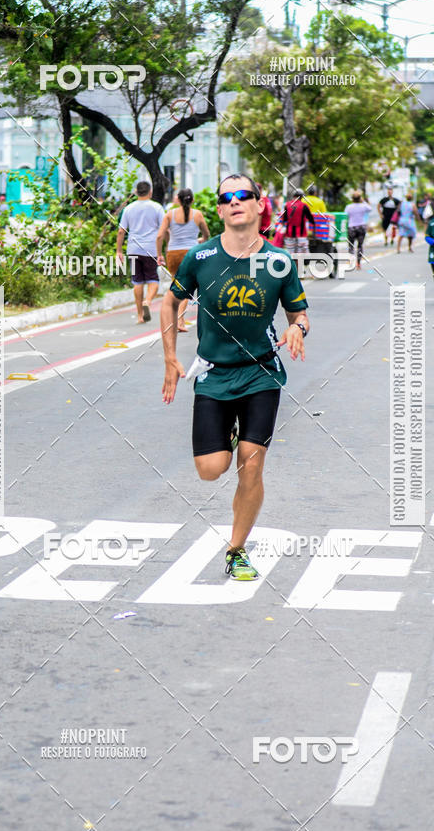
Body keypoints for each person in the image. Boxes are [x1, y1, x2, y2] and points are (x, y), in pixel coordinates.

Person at [160, 173, 309, 580]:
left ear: (261, 205)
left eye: (244, 195)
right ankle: (226, 437)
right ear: (221, 210)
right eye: (226, 198)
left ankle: (236, 550)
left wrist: (297, 327)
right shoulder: (200, 259)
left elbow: (299, 312)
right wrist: (171, 358)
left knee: (252, 462)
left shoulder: (278, 261)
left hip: (261, 373)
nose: (235, 201)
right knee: (210, 469)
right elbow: (169, 303)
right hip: (213, 374)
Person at [155, 188, 209, 332]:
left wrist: (159, 254)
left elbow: (160, 236)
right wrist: (199, 241)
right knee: (187, 288)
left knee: (176, 285)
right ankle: (180, 320)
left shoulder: (169, 215)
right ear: (192, 200)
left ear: (178, 199)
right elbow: (206, 235)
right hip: (191, 253)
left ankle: (171, 319)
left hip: (173, 254)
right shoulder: (197, 215)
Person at [116, 181, 165, 323]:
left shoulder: (129, 208)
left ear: (136, 192)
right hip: (151, 249)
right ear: (150, 192)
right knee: (153, 280)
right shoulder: (157, 207)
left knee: (137, 282)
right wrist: (161, 252)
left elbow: (121, 231)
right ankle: (148, 301)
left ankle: (139, 316)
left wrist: (119, 250)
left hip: (133, 249)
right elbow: (162, 231)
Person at [281, 187, 314, 261]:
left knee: (291, 256)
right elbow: (311, 219)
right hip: (301, 236)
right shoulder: (304, 206)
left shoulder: (287, 205)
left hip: (289, 235)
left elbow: (284, 219)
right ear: (301, 197)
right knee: (299, 257)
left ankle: (291, 271)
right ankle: (298, 271)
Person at [345, 190, 371, 269]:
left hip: (351, 228)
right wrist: (363, 201)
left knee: (351, 246)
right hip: (361, 227)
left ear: (352, 199)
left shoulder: (349, 207)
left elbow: (345, 216)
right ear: (360, 199)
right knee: (360, 246)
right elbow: (370, 209)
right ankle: (358, 263)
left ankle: (351, 262)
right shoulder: (363, 206)